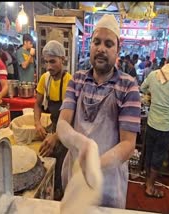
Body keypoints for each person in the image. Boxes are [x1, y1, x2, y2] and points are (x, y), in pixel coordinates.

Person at [57, 14, 141, 208]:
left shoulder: (128, 86)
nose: (101, 48)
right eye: (97, 42)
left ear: (118, 50)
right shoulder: (77, 79)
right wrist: (81, 142)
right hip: (74, 175)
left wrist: (94, 165)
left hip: (109, 183)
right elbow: (62, 124)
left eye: (109, 44)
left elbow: (128, 144)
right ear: (91, 46)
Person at [140, 51, 169, 198]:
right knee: (159, 156)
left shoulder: (154, 74)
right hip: (165, 126)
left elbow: (142, 88)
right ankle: (150, 187)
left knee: (149, 152)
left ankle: (147, 181)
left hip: (151, 122)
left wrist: (152, 95)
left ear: (166, 61)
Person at [34, 40, 72, 200]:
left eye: (53, 61)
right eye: (46, 62)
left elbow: (71, 117)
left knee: (61, 164)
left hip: (67, 128)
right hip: (53, 125)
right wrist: (37, 123)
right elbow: (37, 104)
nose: (49, 66)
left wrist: (56, 136)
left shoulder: (70, 82)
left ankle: (60, 193)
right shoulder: (45, 79)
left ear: (63, 59)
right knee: (45, 159)